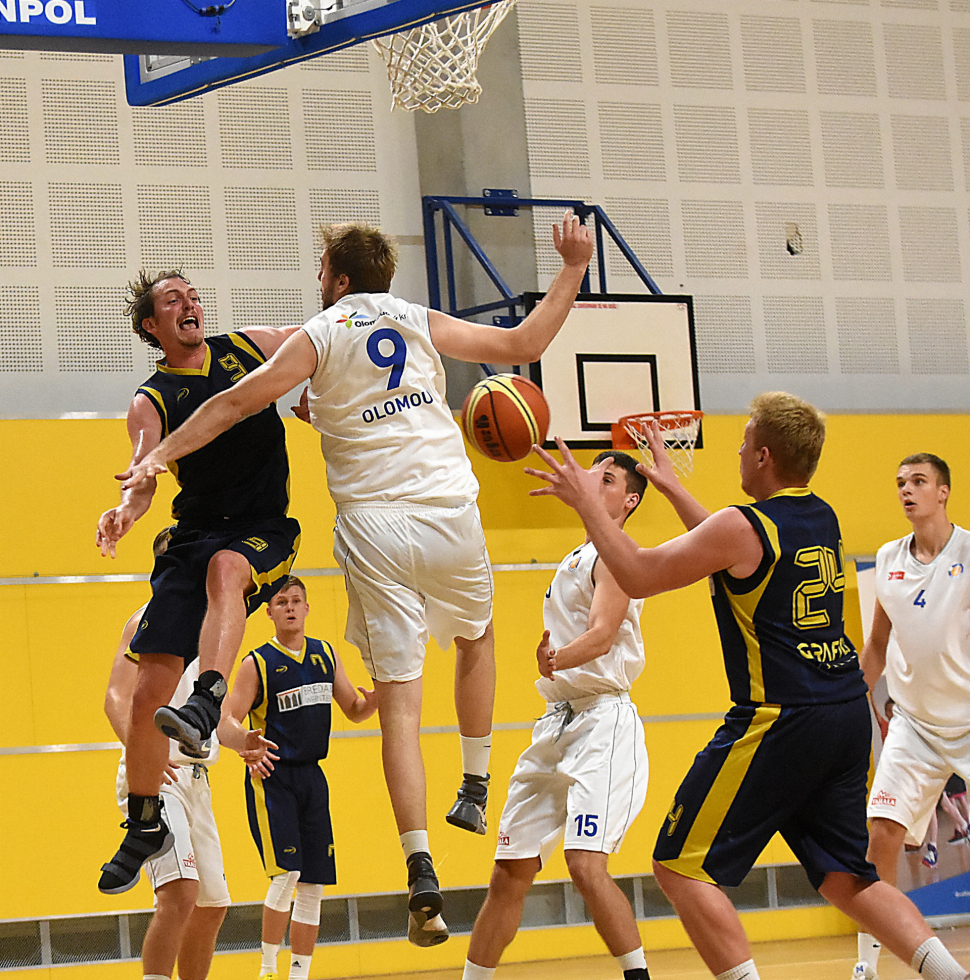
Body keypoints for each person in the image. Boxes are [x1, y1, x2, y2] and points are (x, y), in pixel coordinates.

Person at [117, 214, 595, 926]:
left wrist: (154, 461)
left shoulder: (318, 333)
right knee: (477, 637)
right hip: (447, 510)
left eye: (320, 273)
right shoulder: (416, 318)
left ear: (337, 280)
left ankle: (418, 859)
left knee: (398, 702)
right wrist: (572, 268)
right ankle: (475, 778)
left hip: (367, 524)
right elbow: (523, 343)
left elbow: (235, 400)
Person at [526, 392, 970, 980]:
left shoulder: (744, 525)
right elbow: (730, 548)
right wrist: (671, 487)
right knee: (847, 877)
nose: (736, 451)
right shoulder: (820, 514)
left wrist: (588, 505)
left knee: (680, 866)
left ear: (762, 456)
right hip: (842, 712)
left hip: (781, 717)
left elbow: (638, 572)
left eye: (742, 443)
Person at [95, 271, 302, 894]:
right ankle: (144, 821)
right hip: (193, 533)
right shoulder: (151, 399)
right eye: (171, 301)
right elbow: (145, 472)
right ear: (151, 328)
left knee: (227, 572)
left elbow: (324, 345)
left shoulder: (253, 347)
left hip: (263, 528)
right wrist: (128, 510)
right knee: (147, 689)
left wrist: (323, 393)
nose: (188, 304)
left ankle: (208, 697)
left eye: (191, 295)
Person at [462, 451, 652, 980]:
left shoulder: (618, 554)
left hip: (602, 722)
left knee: (585, 866)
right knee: (509, 873)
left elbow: (604, 632)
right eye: (594, 471)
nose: (593, 478)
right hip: (557, 723)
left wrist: (556, 659)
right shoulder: (578, 554)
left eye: (608, 478)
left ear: (629, 501)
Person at [217, 576, 384, 980]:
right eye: (281, 601)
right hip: (273, 776)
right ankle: (267, 969)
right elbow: (224, 723)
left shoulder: (325, 656)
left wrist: (378, 696)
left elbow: (355, 709)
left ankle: (299, 974)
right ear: (270, 611)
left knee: (312, 885)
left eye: (296, 600)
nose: (290, 607)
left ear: (307, 608)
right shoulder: (255, 663)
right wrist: (245, 743)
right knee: (286, 874)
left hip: (312, 777)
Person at [854, 453, 970, 980]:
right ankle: (867, 965)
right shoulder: (887, 558)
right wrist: (849, 698)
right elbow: (877, 644)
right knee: (880, 833)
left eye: (919, 482)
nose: (907, 490)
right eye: (900, 482)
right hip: (915, 726)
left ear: (943, 491)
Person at [102, 526, 230, 980]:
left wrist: (243, 740)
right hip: (158, 775)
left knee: (212, 905)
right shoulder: (145, 621)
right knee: (180, 893)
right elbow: (116, 699)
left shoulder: (217, 625)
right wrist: (147, 759)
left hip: (197, 779)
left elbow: (220, 714)